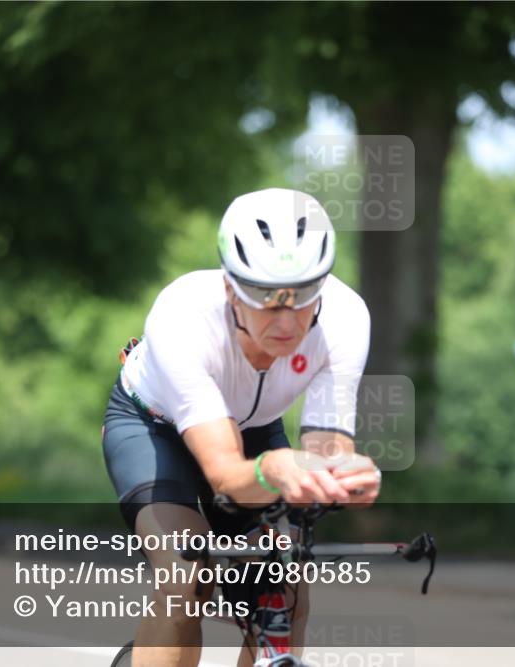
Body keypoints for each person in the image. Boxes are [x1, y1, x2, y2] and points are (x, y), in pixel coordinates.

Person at [102, 188, 381, 667]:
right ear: (231, 287)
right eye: (264, 297)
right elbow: (226, 473)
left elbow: (325, 447)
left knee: (286, 589)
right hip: (153, 428)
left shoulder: (346, 319)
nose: (286, 319)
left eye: (303, 296)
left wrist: (341, 476)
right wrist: (275, 469)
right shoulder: (182, 316)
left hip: (255, 430)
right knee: (185, 579)